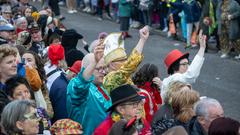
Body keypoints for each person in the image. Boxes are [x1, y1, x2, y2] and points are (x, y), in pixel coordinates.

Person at [66, 47, 111, 134]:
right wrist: (94, 61)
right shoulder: (75, 84)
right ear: (87, 69)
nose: (104, 72)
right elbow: (81, 86)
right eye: (99, 68)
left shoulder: (100, 86)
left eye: (104, 68)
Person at [161, 30, 206, 101]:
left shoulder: (170, 79)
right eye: (184, 64)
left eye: (188, 63)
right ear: (174, 67)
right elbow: (191, 75)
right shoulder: (175, 78)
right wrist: (202, 48)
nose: (188, 66)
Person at [103, 26, 149, 94]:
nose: (126, 62)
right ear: (111, 64)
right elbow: (130, 65)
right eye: (122, 60)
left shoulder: (124, 76)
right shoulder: (109, 79)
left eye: (126, 59)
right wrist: (142, 40)